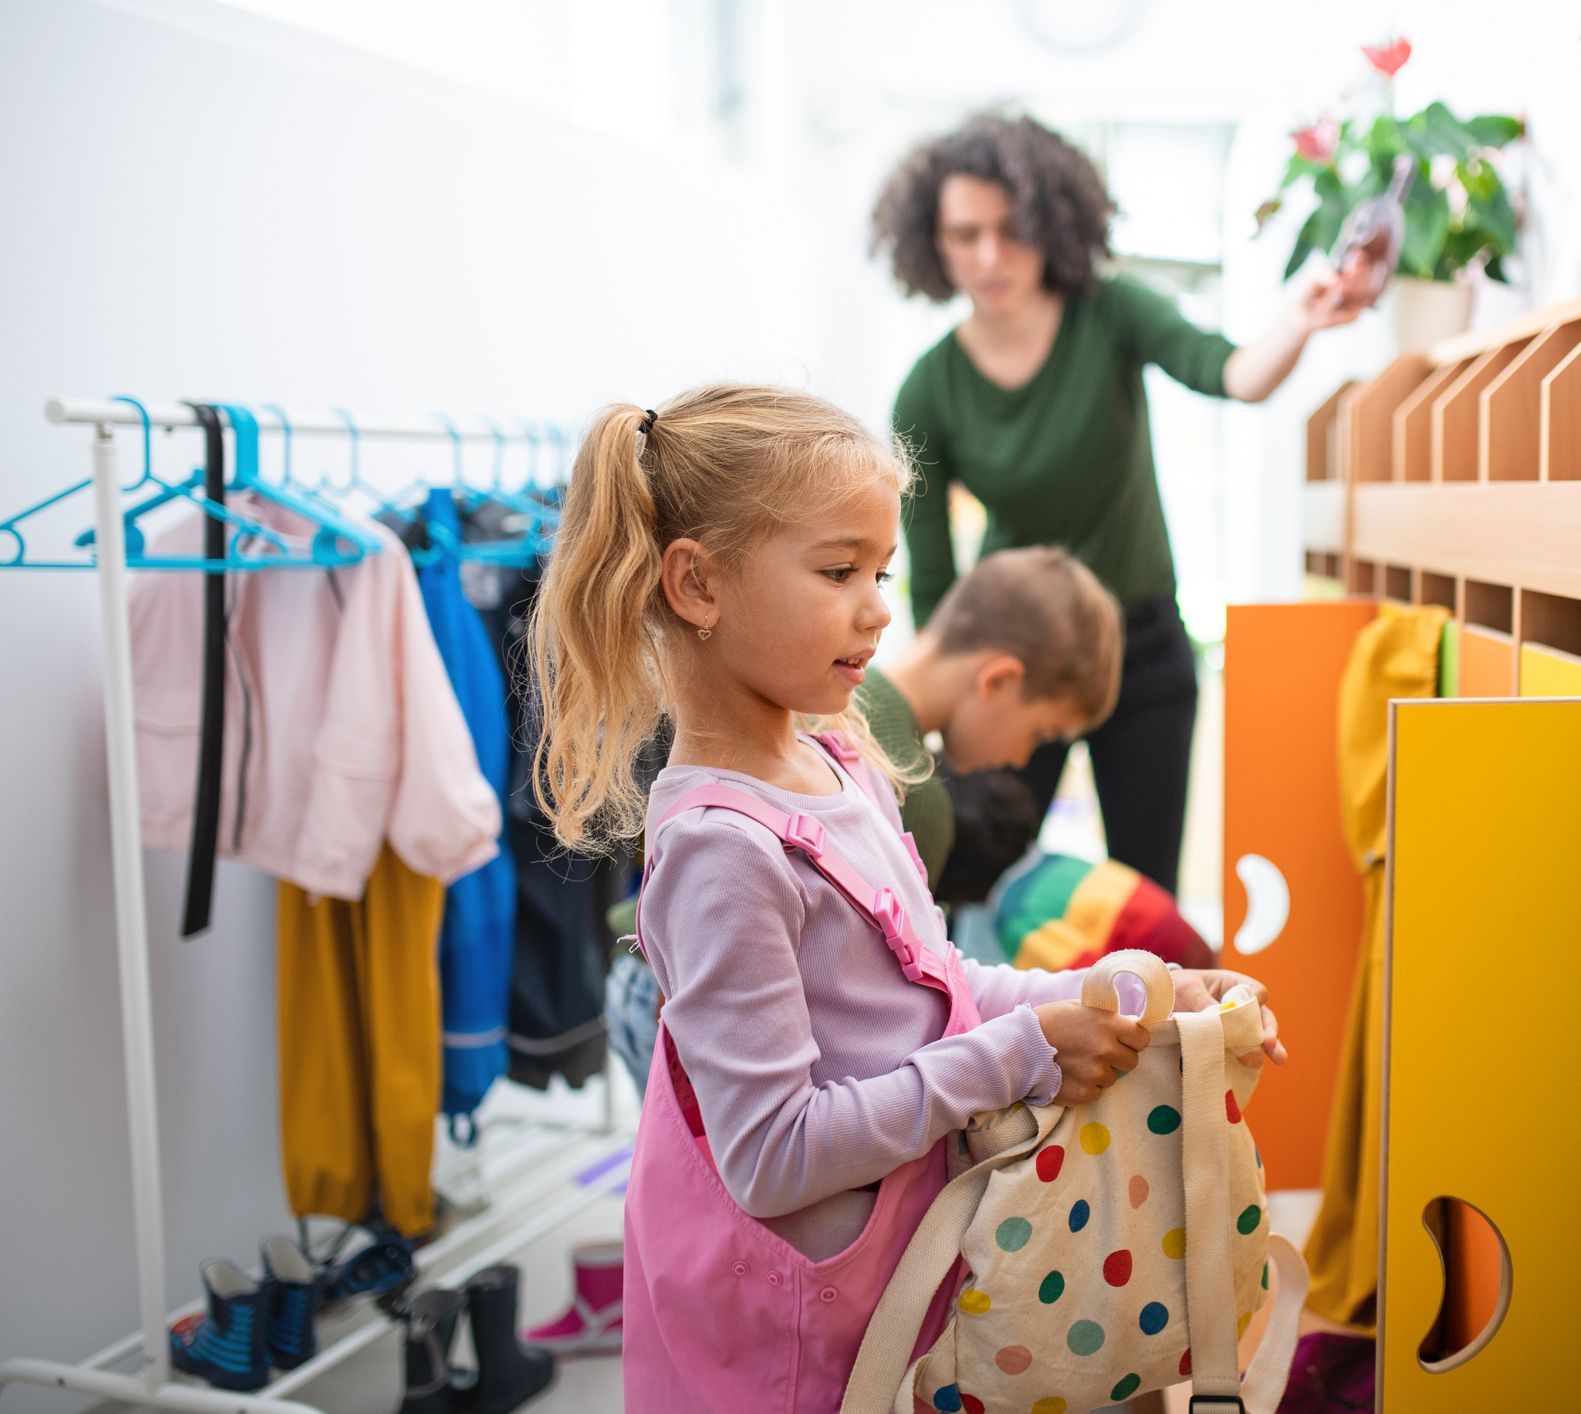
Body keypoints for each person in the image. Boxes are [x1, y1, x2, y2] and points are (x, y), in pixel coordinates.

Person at [529, 384, 1284, 1411]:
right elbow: (774, 1154)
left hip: (890, 1291)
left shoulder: (845, 759)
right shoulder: (721, 850)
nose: (880, 606)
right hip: (788, 1350)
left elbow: (937, 986)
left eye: (880, 571)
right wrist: (1019, 1054)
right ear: (697, 585)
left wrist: (1119, 989)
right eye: (839, 571)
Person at [873, 112, 1378, 895]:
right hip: (1010, 672)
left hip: (1141, 649)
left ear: (1052, 223)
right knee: (975, 883)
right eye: (963, 234)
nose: (988, 256)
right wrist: (938, 719)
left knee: (1146, 890)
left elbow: (1233, 374)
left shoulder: (1111, 315)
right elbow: (937, 590)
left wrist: (1302, 316)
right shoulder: (929, 387)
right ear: (931, 242)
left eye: (1011, 230)